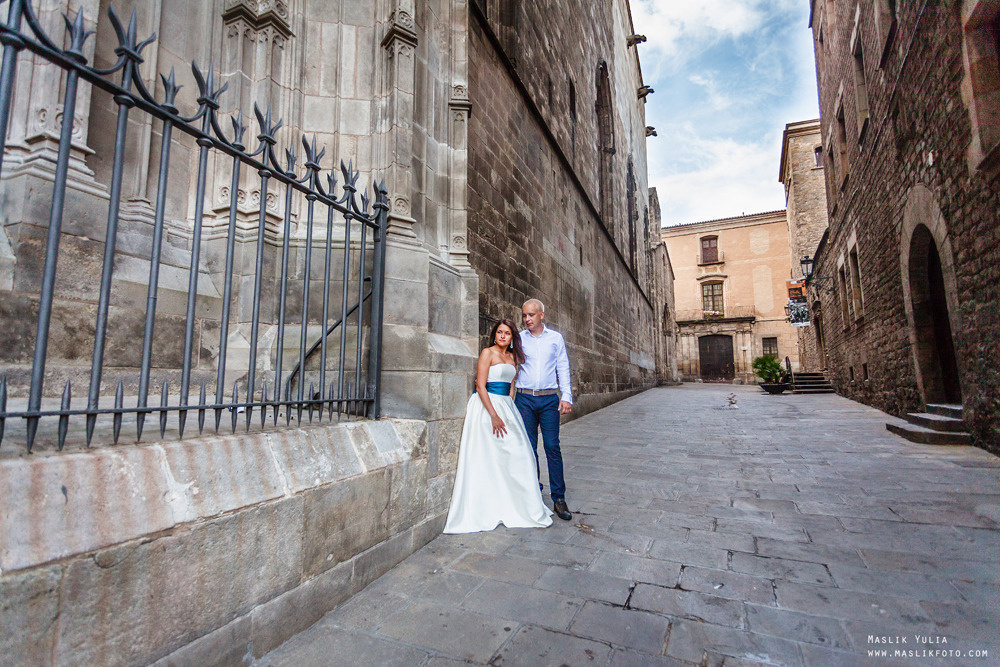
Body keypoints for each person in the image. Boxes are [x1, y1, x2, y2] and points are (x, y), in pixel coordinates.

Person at [443, 318, 553, 533]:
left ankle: (520, 503)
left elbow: (512, 384)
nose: (503, 336)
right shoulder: (488, 353)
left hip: (506, 407)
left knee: (520, 453)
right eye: (500, 332)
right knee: (491, 455)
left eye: (507, 333)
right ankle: (491, 504)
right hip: (487, 406)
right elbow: (481, 386)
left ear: (512, 337)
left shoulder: (512, 357)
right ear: (495, 334)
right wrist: (493, 414)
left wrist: (509, 405)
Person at [515, 299, 573, 521]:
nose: (527, 319)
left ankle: (558, 498)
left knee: (552, 447)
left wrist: (566, 396)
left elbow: (563, 367)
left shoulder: (555, 339)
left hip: (549, 399)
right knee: (529, 447)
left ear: (542, 315)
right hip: (525, 399)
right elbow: (509, 363)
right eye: (524, 316)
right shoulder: (519, 338)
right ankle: (533, 494)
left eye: (531, 315)